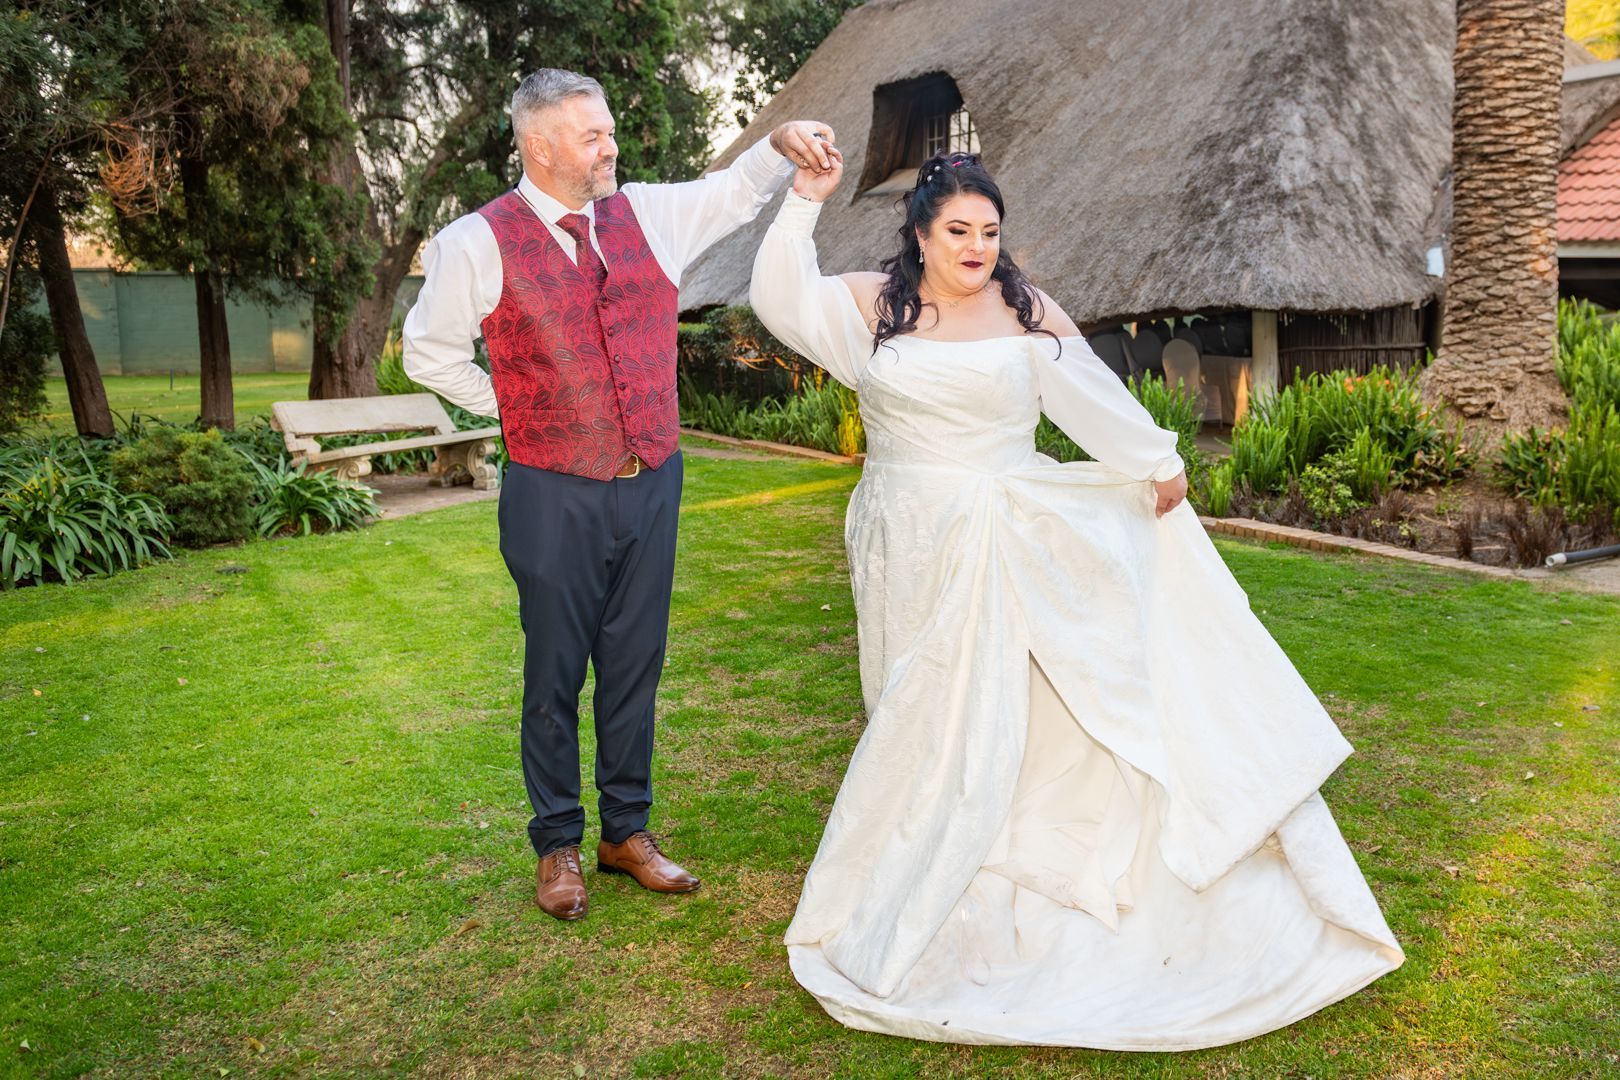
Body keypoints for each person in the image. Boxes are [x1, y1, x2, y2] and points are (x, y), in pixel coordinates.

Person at [748, 149, 1404, 1049]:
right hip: (905, 535)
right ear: (920, 234)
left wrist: (1154, 461)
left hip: (1005, 532)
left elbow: (1089, 392)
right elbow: (779, 297)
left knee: (998, 706)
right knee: (910, 707)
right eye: (958, 230)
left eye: (990, 231)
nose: (976, 247)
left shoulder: (1023, 309)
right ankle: (922, 853)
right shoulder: (871, 305)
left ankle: (1014, 857)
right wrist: (804, 200)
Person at [402, 68, 837, 921]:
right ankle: (557, 842)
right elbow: (429, 352)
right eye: (591, 135)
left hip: (652, 480)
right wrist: (518, 407)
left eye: (608, 131)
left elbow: (731, 192)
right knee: (555, 671)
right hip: (551, 491)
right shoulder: (476, 241)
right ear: (539, 146)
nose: (610, 147)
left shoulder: (646, 214)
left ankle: (625, 833)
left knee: (636, 662)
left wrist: (778, 145)